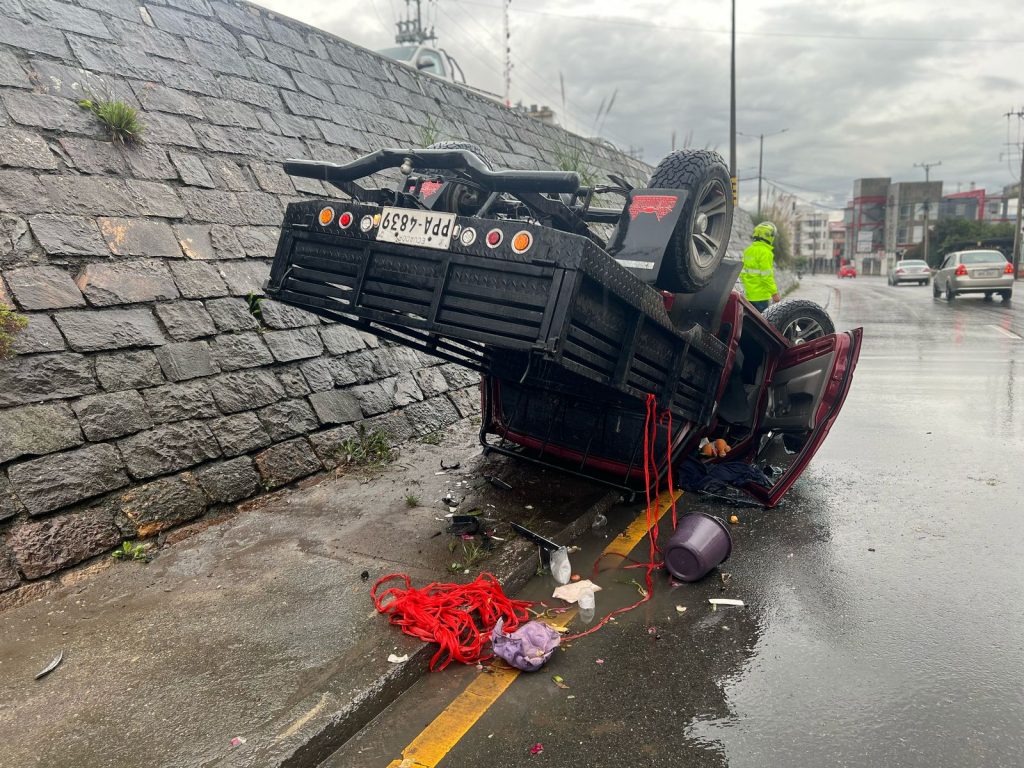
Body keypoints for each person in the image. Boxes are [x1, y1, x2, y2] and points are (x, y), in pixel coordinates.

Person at [741, 221, 782, 312]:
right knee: (762, 323)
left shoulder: (748, 250)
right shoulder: (766, 253)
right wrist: (774, 293)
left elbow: (742, 273)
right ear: (769, 236)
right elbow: (766, 276)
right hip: (761, 297)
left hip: (748, 296)